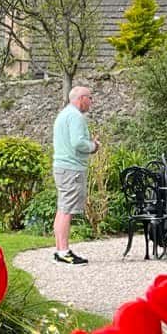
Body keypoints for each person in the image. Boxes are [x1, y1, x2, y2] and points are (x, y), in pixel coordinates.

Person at [51, 85, 97, 265]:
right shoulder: (76, 117)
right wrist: (93, 146)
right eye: (90, 98)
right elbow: (78, 143)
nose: (91, 102)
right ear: (81, 98)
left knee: (62, 209)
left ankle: (59, 250)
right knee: (67, 210)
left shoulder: (64, 114)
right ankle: (63, 252)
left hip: (62, 167)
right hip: (71, 169)